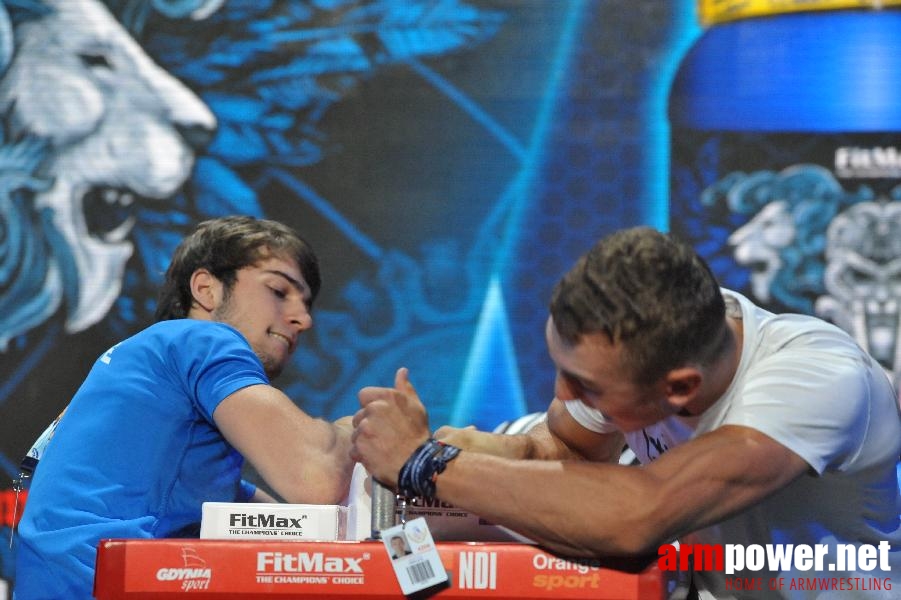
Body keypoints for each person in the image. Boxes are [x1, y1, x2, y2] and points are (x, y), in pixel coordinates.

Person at [351, 226, 901, 599]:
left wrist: (428, 465)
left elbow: (636, 518)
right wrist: (478, 456)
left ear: (681, 389)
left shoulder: (818, 382)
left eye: (584, 385)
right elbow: (562, 452)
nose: (564, 396)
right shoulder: (654, 332)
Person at [15, 216, 355, 599]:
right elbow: (316, 477)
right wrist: (356, 432)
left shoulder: (147, 359)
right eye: (278, 290)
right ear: (206, 289)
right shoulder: (202, 340)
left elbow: (281, 516)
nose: (303, 319)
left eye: (306, 304)